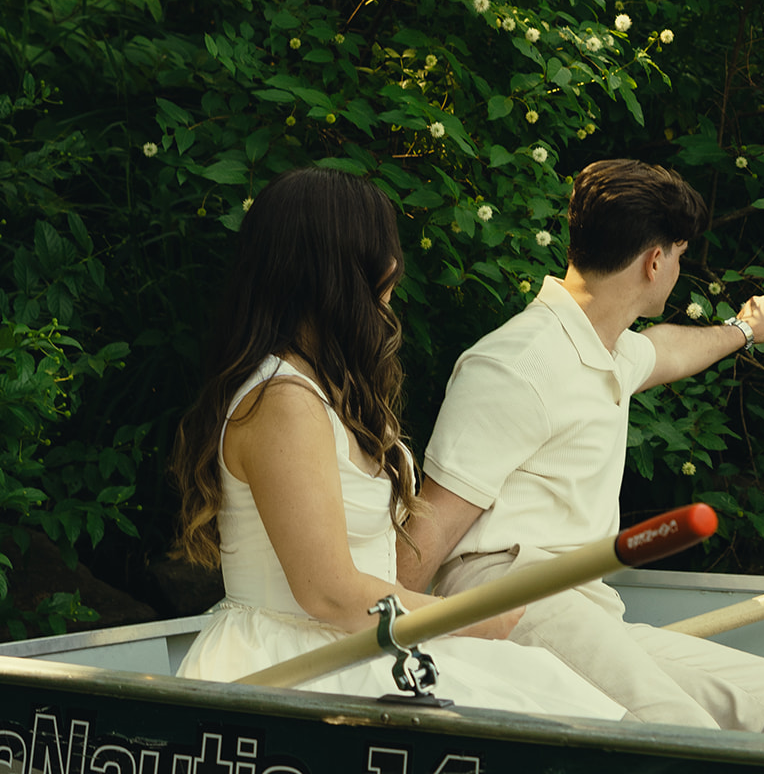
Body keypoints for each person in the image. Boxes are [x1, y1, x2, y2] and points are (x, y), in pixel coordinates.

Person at [167, 166, 625, 720]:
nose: (394, 271)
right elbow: (328, 593)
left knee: (562, 705)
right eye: (384, 251)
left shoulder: (325, 390)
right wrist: (469, 615)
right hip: (296, 663)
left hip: (358, 643)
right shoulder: (282, 401)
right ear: (343, 266)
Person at [397, 159, 764, 736]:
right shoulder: (514, 366)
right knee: (687, 738)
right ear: (656, 261)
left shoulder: (606, 350)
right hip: (512, 596)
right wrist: (372, 643)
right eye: (679, 254)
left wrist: (745, 329)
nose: (678, 268)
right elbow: (426, 533)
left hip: (588, 608)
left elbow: (667, 351)